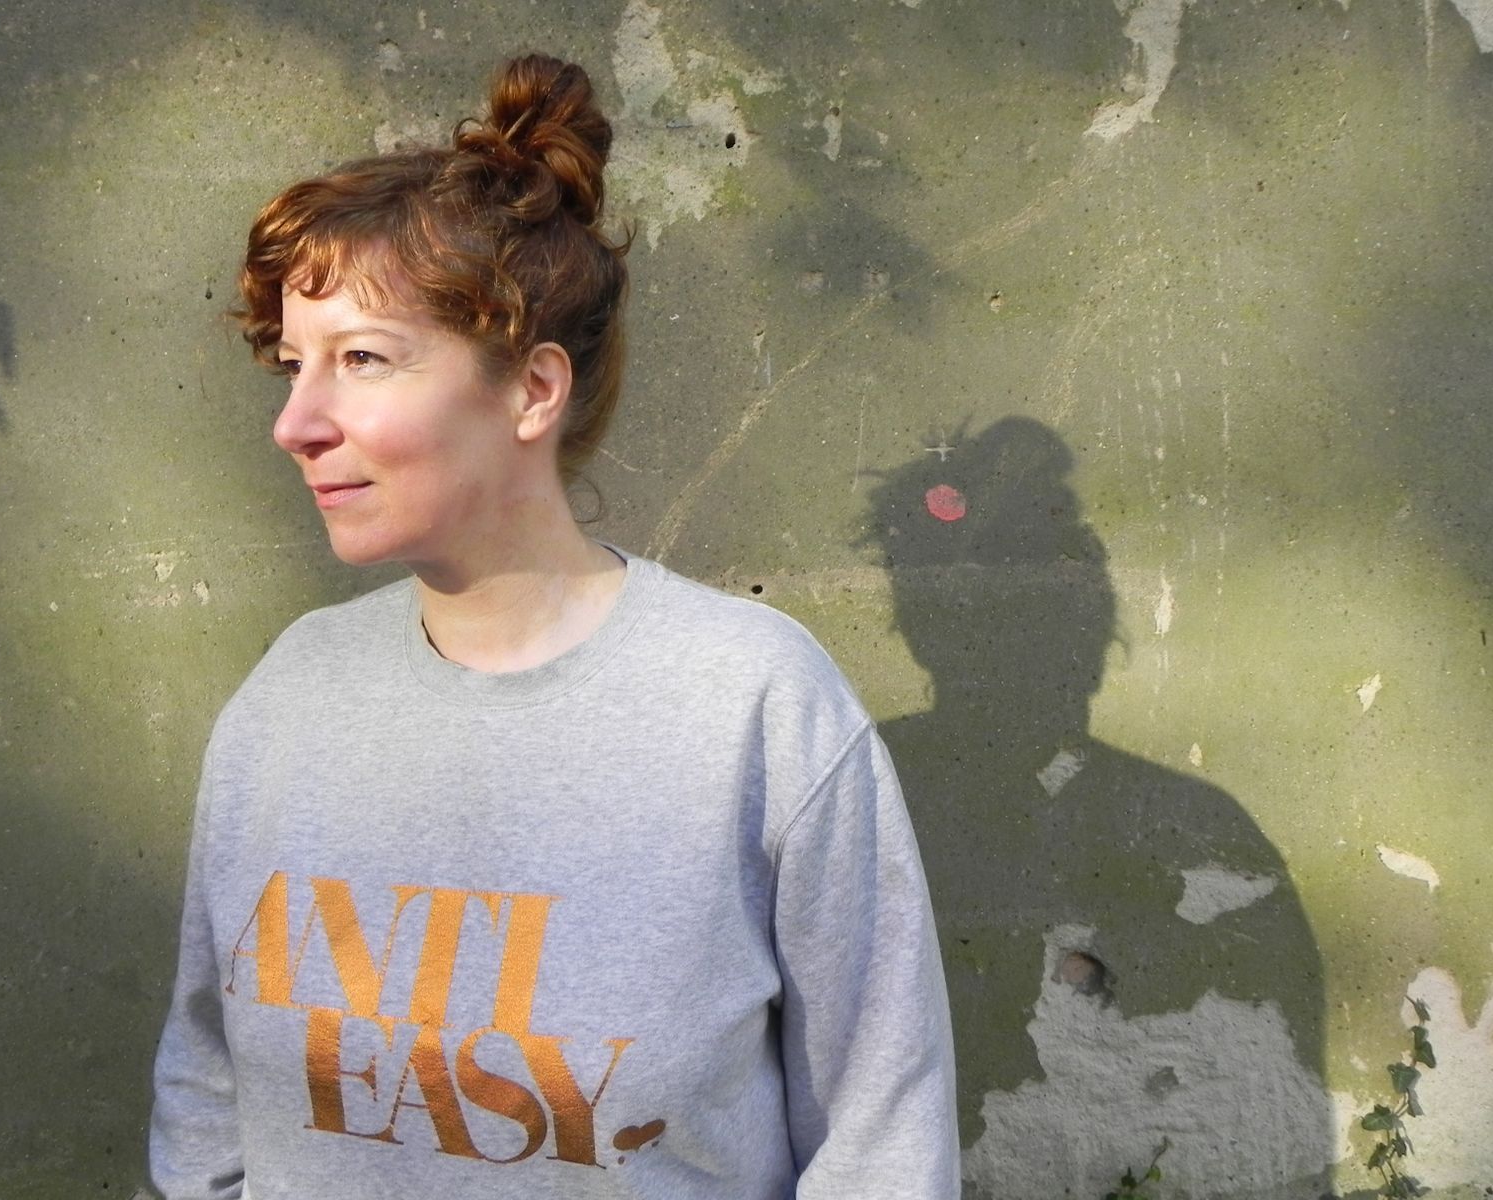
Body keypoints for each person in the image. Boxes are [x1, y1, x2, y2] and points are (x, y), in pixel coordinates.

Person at [148, 53, 957, 1200]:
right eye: (292, 365)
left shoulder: (750, 708)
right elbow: (207, 1083)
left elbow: (884, 1141)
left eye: (362, 360)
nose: (296, 421)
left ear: (533, 389)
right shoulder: (291, 698)